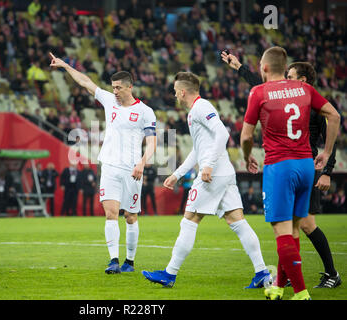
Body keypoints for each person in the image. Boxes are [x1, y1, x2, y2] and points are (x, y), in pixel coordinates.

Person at [222, 51, 342, 289]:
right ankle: (285, 281)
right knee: (293, 227)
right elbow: (266, 87)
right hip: (304, 166)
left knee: (301, 225)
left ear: (303, 80)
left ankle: (326, 275)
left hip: (296, 165)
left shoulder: (307, 100)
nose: (286, 78)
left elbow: (333, 132)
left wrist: (328, 168)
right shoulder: (300, 94)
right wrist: (239, 68)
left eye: (291, 76)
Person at [142, 72, 270, 289]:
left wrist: (208, 165)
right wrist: (177, 174)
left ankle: (169, 274)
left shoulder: (202, 108)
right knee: (237, 220)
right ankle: (262, 273)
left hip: (213, 175)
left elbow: (223, 134)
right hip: (224, 173)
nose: (175, 95)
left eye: (175, 91)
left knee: (189, 219)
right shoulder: (196, 111)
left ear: (183, 92)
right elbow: (198, 150)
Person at [49, 52, 157, 274]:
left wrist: (142, 162)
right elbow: (86, 82)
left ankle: (130, 261)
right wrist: (65, 66)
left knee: (130, 216)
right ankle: (113, 260)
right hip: (109, 165)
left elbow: (152, 142)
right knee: (111, 213)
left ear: (129, 87)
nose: (114, 91)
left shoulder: (145, 111)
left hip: (132, 169)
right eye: (113, 87)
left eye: (118, 88)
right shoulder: (109, 101)